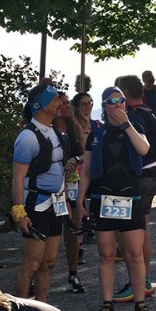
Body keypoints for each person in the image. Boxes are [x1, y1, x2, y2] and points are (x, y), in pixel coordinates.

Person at [78, 87, 156, 311]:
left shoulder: (135, 126)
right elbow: (86, 171)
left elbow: (144, 149)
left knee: (134, 253)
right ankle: (107, 305)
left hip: (130, 197)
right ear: (104, 106)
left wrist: (126, 125)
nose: (117, 105)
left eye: (121, 100)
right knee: (106, 254)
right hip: (103, 198)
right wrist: (80, 201)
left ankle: (140, 305)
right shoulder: (97, 134)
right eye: (112, 101)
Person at [11, 83, 69, 302]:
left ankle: (41, 309)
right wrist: (19, 212)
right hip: (35, 203)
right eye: (54, 99)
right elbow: (17, 177)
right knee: (32, 262)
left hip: (56, 202)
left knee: (50, 261)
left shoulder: (54, 131)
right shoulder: (27, 138)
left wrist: (65, 199)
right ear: (41, 105)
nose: (60, 102)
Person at [115, 75, 156, 299]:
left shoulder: (133, 116)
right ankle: (143, 279)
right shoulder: (151, 112)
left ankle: (137, 281)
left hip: (137, 174)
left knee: (130, 233)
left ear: (125, 93)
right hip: (151, 172)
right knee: (143, 229)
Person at [58, 95, 90, 294]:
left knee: (73, 228)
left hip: (71, 182)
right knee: (49, 231)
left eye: (66, 102)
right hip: (53, 186)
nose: (64, 106)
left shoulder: (74, 127)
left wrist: (75, 158)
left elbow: (86, 153)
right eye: (60, 102)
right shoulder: (47, 129)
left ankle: (73, 274)